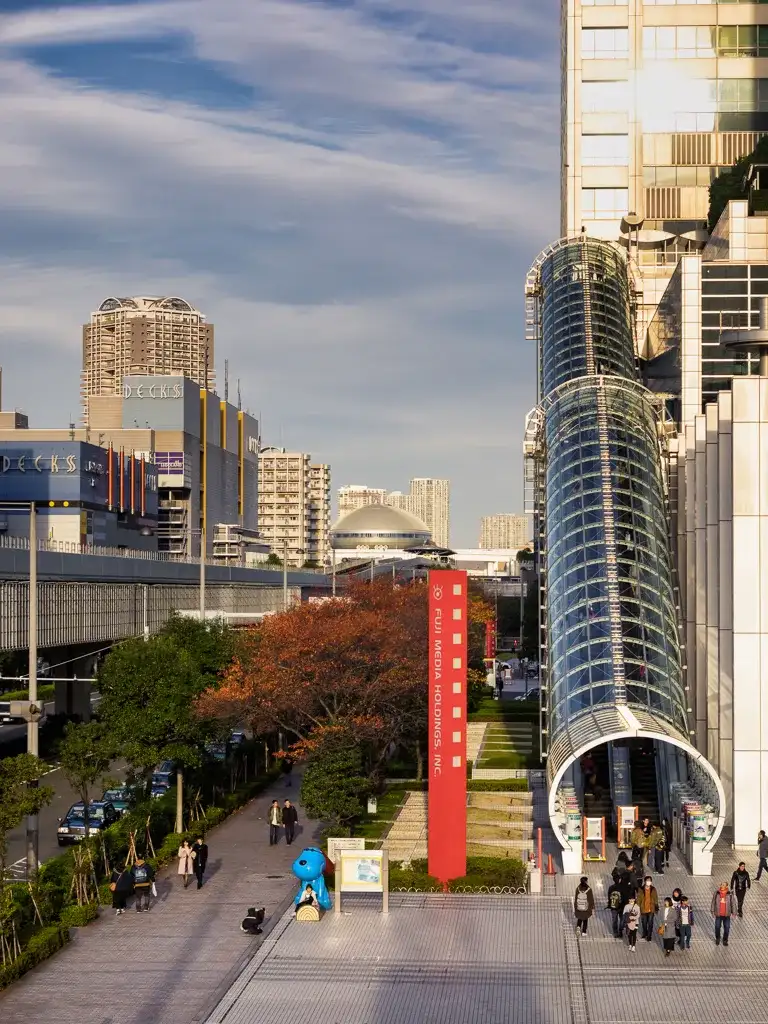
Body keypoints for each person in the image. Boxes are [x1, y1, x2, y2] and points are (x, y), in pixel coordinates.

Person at [711, 882, 736, 946]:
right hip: (718, 914)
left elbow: (733, 903)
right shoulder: (716, 893)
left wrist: (734, 913)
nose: (722, 886)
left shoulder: (730, 894)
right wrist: (712, 911)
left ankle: (725, 940)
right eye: (721, 884)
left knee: (727, 928)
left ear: (726, 886)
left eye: (723, 885)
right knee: (717, 927)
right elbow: (713, 902)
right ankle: (718, 938)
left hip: (726, 915)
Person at [637, 875, 659, 941]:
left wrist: (656, 906)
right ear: (645, 881)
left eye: (650, 881)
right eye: (647, 880)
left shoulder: (653, 889)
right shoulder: (641, 889)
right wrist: (638, 907)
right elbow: (639, 899)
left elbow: (655, 898)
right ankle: (645, 933)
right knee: (644, 922)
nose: (648, 882)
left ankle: (649, 936)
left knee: (650, 923)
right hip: (643, 908)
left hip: (651, 909)